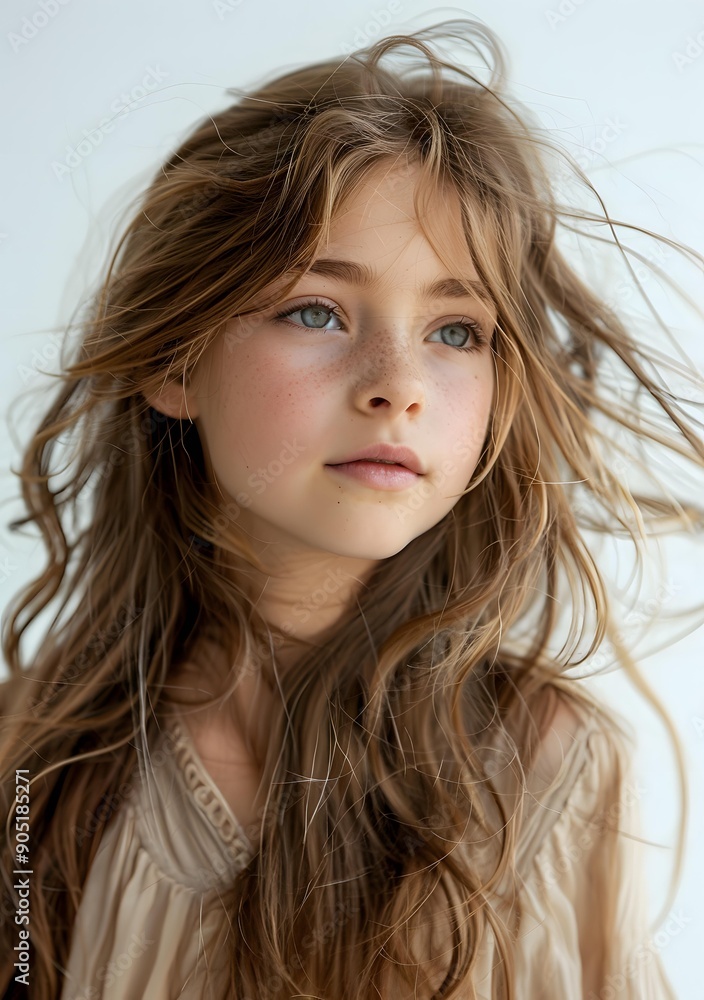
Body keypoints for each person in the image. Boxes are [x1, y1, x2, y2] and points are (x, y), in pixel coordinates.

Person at [0, 17, 701, 1000]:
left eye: (455, 329)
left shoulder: (551, 766)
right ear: (173, 359)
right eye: (316, 311)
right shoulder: (34, 768)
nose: (397, 385)